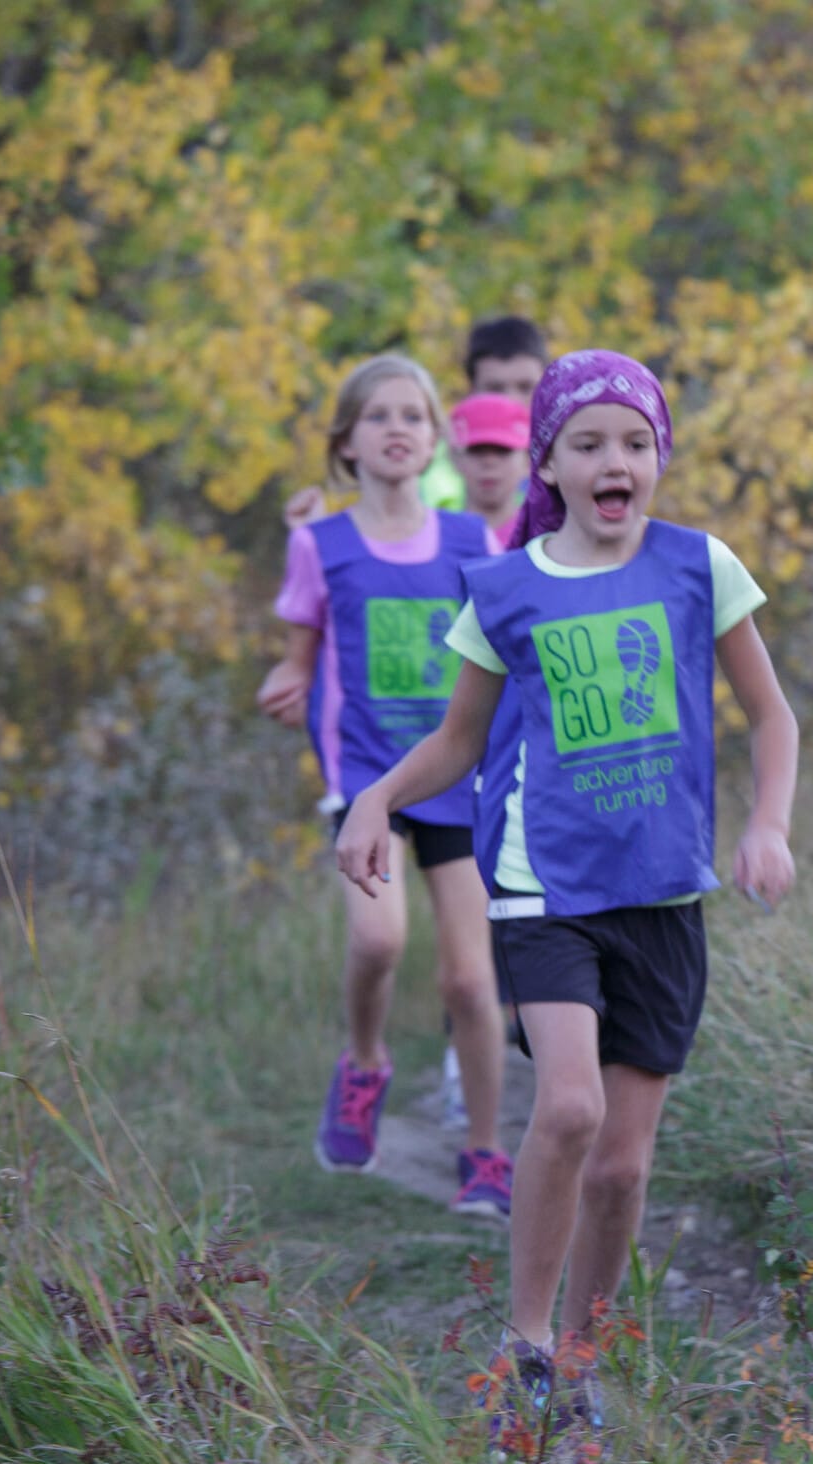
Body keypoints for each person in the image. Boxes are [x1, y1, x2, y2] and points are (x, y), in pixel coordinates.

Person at [335, 351, 800, 1445]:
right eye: (587, 443)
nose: (613, 461)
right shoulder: (505, 590)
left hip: (663, 893)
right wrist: (376, 798)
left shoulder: (699, 566)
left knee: (625, 1164)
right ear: (547, 462)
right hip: (542, 886)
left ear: (659, 458)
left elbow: (772, 715)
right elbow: (459, 742)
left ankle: (582, 1362)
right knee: (573, 1109)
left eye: (634, 442)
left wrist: (767, 824)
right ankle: (528, 1343)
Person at [254, 355, 512, 1216]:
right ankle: (364, 1064)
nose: (397, 429)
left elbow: (509, 652)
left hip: (458, 779)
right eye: (378, 417)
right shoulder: (319, 546)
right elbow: (297, 662)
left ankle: (485, 1152)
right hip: (366, 781)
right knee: (378, 940)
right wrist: (284, 684)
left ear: (435, 441)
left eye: (413, 416)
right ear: (347, 444)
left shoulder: (475, 543)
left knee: (471, 981)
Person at [284, 317, 550, 526]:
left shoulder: (567, 456)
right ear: (471, 389)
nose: (512, 402)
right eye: (494, 389)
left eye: (526, 387)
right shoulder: (424, 460)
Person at [449, 392, 533, 547]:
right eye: (476, 450)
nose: (489, 462)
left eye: (503, 451)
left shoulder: (541, 538)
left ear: (528, 459)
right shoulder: (435, 537)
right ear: (453, 458)